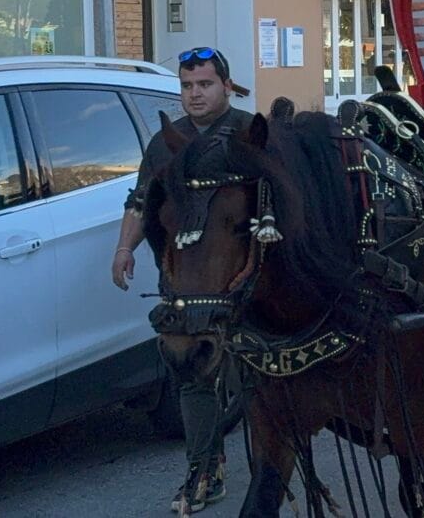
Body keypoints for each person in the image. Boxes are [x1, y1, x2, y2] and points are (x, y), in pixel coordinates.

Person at [111, 47, 252, 514]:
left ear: (227, 87)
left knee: (254, 371)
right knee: (193, 374)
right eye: (188, 86)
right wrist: (125, 248)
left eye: (205, 84)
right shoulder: (165, 142)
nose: (195, 94)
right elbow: (139, 200)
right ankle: (203, 469)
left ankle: (275, 466)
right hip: (183, 279)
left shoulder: (250, 132)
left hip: (240, 280)